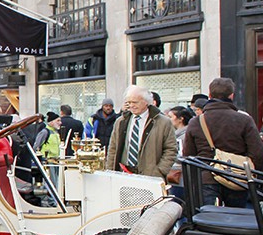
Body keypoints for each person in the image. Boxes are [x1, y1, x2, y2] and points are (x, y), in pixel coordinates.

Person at [183, 78, 263, 208]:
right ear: (232, 95)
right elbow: (257, 153)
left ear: (210, 95)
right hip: (237, 177)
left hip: (206, 177)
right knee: (236, 216)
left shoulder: (196, 122)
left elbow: (188, 154)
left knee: (207, 217)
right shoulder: (244, 120)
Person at [104, 85, 177, 180]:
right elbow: (113, 149)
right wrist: (110, 172)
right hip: (123, 176)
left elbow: (171, 150)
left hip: (151, 178)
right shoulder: (121, 121)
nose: (131, 105)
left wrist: (159, 171)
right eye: (129, 102)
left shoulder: (163, 122)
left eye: (135, 102)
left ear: (146, 102)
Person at [165, 105, 195, 186]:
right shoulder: (175, 133)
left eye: (170, 117)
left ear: (181, 119)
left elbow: (180, 156)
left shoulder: (184, 136)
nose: (168, 119)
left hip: (179, 175)